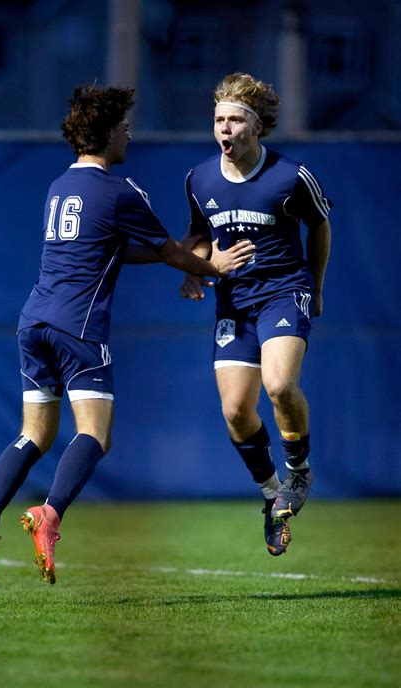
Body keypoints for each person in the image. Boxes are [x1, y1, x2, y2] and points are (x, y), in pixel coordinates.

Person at [0, 84, 255, 588]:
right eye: (123, 125)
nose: (129, 132)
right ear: (105, 134)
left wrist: (187, 259)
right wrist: (215, 266)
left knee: (34, 433)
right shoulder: (121, 190)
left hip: (32, 321)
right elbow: (167, 251)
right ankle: (49, 515)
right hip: (78, 326)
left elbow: (111, 250)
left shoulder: (59, 186)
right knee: (95, 434)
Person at [179, 72, 332, 556]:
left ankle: (298, 471)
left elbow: (320, 225)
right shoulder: (199, 178)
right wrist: (192, 268)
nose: (225, 129)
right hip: (234, 303)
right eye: (219, 120)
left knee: (280, 385)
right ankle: (272, 497)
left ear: (257, 126)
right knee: (234, 410)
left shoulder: (290, 176)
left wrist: (316, 283)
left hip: (285, 293)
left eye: (235, 120)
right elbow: (198, 233)